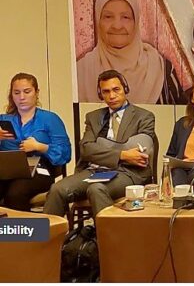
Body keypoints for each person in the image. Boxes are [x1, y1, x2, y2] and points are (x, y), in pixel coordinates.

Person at [45, 70, 157, 216]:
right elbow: (86, 149)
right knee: (57, 189)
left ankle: (106, 231)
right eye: (106, 92)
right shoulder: (94, 117)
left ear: (125, 89)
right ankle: (50, 231)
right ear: (100, 94)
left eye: (116, 89)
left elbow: (140, 153)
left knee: (96, 189)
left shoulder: (144, 116)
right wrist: (122, 154)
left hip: (127, 173)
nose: (112, 96)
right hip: (94, 171)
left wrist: (100, 148)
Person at [77, 0, 183, 104]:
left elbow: (181, 113)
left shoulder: (161, 68)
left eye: (125, 17)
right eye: (108, 17)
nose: (117, 26)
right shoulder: (81, 72)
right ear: (98, 20)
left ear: (135, 22)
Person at [0, 73, 71, 211]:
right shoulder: (4, 120)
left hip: (40, 169)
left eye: (27, 92)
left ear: (36, 93)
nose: (21, 97)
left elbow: (65, 154)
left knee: (15, 193)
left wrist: (39, 146)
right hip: (7, 169)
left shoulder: (50, 119)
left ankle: (22, 225)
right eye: (17, 93)